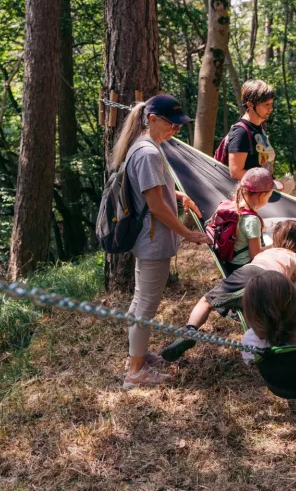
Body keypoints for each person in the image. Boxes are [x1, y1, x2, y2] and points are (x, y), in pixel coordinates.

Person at [114, 95, 211, 389]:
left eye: (179, 126)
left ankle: (139, 356)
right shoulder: (148, 153)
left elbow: (155, 191)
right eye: (171, 124)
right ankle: (135, 372)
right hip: (152, 239)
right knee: (146, 305)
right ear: (152, 119)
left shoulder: (147, 147)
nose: (175, 131)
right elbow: (155, 206)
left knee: (141, 301)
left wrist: (178, 195)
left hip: (150, 236)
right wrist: (189, 233)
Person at [158, 221, 296, 361]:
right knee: (281, 307)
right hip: (270, 281)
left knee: (206, 301)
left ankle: (190, 330)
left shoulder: (265, 253)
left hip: (247, 274)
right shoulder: (293, 256)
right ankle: (250, 303)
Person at [225, 80, 277, 179]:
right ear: (250, 104)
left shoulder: (260, 127)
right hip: (248, 193)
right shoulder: (241, 132)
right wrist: (269, 183)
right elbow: (236, 172)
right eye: (266, 104)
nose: (271, 109)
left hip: (263, 192)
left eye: (271, 104)